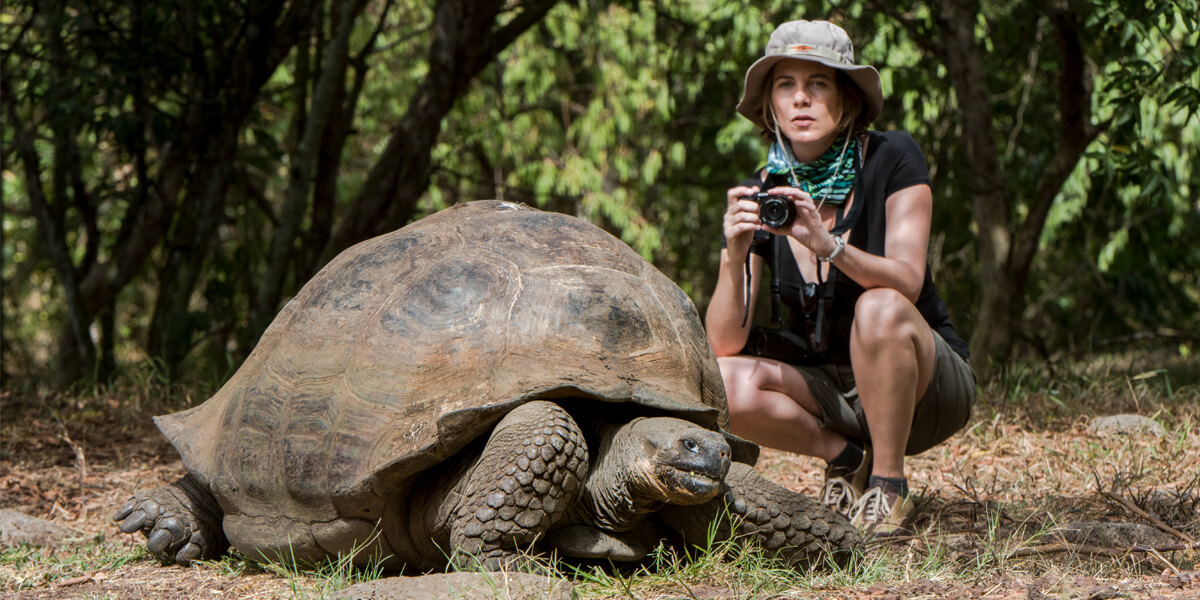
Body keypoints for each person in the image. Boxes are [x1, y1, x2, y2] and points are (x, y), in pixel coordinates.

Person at [705, 19, 976, 535]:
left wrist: (829, 246)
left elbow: (907, 283)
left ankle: (888, 485)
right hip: (827, 388)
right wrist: (734, 253)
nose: (801, 99)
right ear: (770, 107)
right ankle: (846, 458)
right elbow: (724, 341)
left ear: (847, 100)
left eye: (819, 84)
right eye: (786, 85)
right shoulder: (764, 194)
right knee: (718, 380)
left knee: (881, 305)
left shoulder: (893, 158)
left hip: (924, 385)